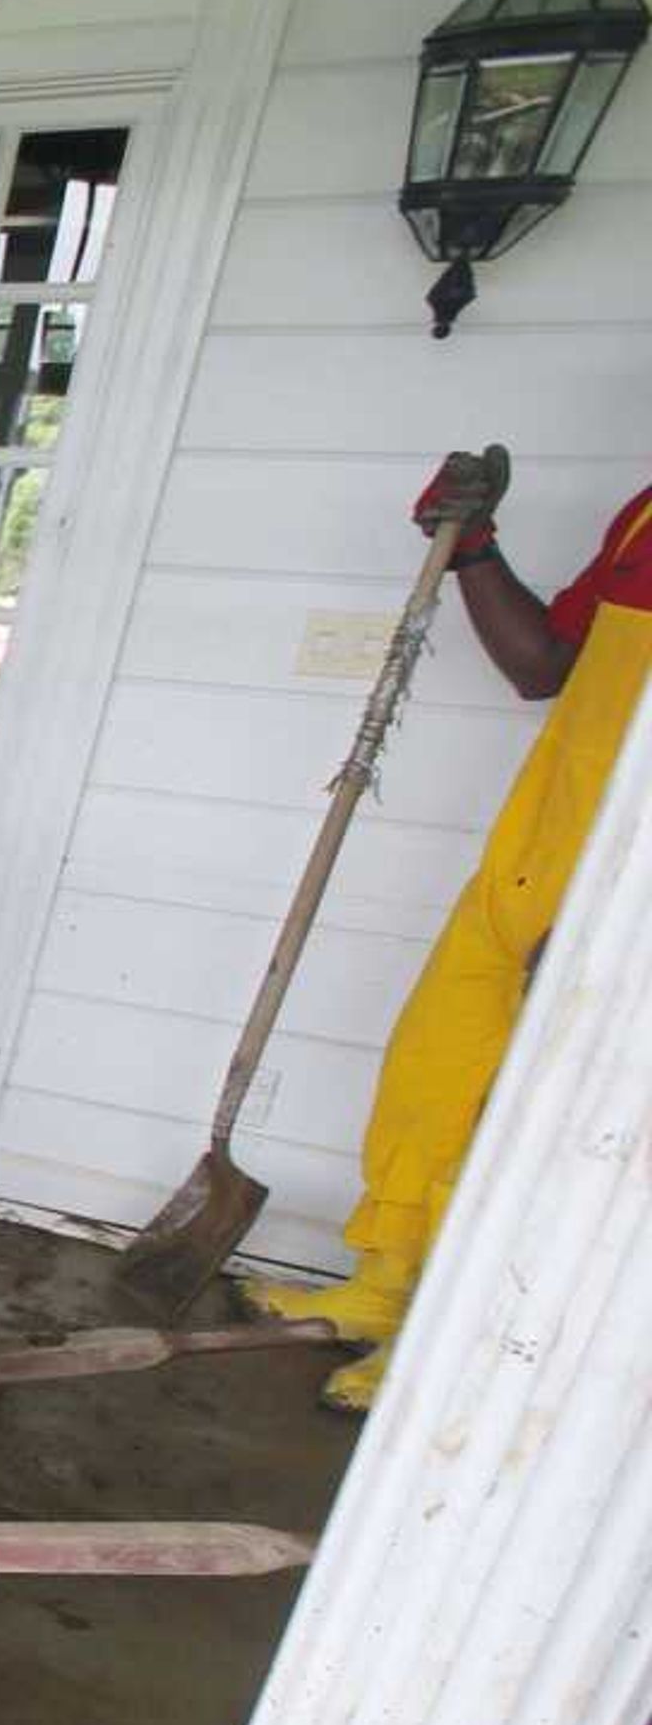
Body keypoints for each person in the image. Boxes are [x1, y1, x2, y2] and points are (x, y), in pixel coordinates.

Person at [252, 454, 652, 1410]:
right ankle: (388, 1284)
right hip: (542, 849)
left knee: (527, 1122)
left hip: (626, 887)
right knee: (435, 1071)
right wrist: (473, 547)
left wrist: (616, 916)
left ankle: (453, 1329)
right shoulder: (644, 513)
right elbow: (542, 667)